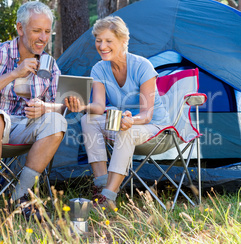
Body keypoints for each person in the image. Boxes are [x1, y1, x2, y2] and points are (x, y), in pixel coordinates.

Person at [0, 1, 67, 226]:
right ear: (20, 28)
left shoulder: (49, 65)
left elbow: (59, 106)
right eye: (36, 31)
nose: (43, 38)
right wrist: (14, 73)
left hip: (20, 126)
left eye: (47, 32)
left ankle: (22, 199)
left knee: (57, 121)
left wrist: (45, 108)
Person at [65, 16, 170, 208]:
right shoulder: (99, 69)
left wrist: (132, 120)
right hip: (122, 123)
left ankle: (108, 198)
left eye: (108, 41)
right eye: (98, 40)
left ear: (123, 41)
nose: (102, 46)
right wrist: (82, 107)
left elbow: (147, 114)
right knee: (88, 119)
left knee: (126, 130)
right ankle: (101, 185)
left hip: (154, 127)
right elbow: (98, 105)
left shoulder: (142, 66)